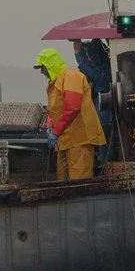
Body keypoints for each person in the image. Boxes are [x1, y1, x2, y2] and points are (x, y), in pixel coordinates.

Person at [35, 47, 106, 181]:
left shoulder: (72, 77)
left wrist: (56, 132)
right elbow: (53, 110)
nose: (41, 71)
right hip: (64, 141)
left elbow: (72, 108)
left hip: (80, 139)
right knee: (63, 181)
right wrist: (49, 126)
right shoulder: (52, 85)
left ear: (50, 65)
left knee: (79, 182)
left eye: (42, 67)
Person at [72, 38, 116, 170]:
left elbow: (93, 74)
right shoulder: (106, 66)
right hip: (100, 117)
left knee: (106, 147)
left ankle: (106, 167)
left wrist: (78, 54)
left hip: (106, 119)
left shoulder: (105, 71)